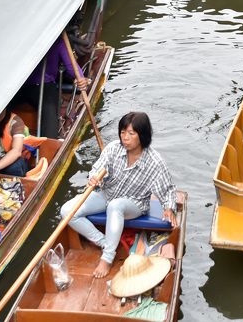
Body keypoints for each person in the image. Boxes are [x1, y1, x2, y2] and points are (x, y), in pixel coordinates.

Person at [60, 112, 177, 279]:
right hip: (106, 194)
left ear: (142, 136)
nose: (125, 138)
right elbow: (97, 169)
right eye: (123, 132)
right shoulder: (113, 148)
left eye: (131, 133)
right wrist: (94, 178)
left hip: (134, 203)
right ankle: (105, 242)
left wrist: (169, 207)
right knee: (67, 211)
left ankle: (107, 258)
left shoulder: (154, 161)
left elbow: (168, 189)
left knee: (116, 205)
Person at [12, 30, 90, 138]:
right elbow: (71, 67)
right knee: (50, 131)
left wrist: (80, 78)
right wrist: (81, 78)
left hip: (18, 87)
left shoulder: (21, 38)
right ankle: (49, 143)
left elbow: (72, 69)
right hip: (40, 87)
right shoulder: (58, 40)